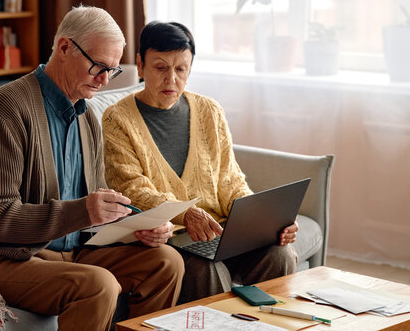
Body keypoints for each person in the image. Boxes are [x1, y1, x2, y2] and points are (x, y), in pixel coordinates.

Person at [0, 7, 184, 331]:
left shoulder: (86, 117)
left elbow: (93, 209)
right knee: (98, 286)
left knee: (167, 263)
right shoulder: (7, 108)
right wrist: (83, 210)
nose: (103, 80)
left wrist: (138, 227)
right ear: (64, 48)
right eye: (98, 66)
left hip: (73, 252)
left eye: (111, 71)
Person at [102, 21, 298, 304]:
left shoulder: (209, 110)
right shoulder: (117, 119)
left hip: (222, 233)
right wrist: (187, 213)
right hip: (172, 237)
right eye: (160, 68)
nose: (171, 79)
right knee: (207, 270)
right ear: (140, 65)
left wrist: (265, 220)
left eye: (181, 69)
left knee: (279, 254)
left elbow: (230, 180)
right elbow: (133, 190)